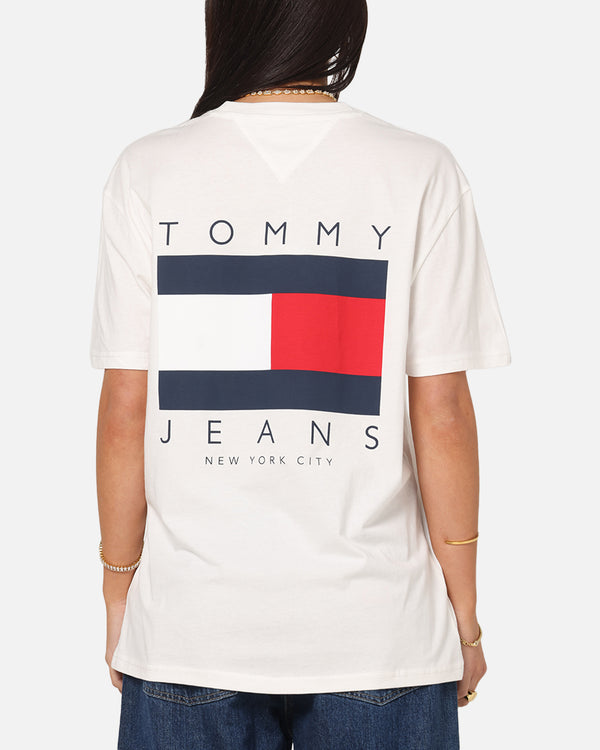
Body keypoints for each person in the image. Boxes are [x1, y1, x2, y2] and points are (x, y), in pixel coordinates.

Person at [90, 1, 511, 748]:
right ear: (344, 19)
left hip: (190, 627)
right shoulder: (418, 168)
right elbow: (442, 411)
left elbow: (127, 407)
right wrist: (465, 616)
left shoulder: (148, 168)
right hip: (381, 634)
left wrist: (119, 590)